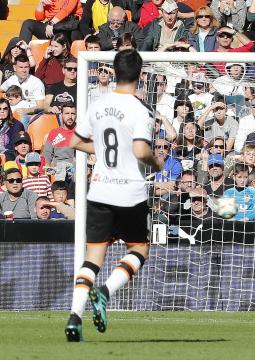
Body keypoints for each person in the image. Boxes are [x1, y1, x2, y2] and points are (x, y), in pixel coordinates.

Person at [64, 49, 164, 342]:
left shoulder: (98, 104)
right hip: (129, 193)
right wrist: (157, 162)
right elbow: (140, 151)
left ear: (115, 72)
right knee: (139, 249)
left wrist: (112, 152)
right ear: (140, 74)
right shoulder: (141, 109)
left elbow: (75, 141)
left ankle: (73, 318)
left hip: (99, 189)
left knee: (92, 258)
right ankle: (105, 292)